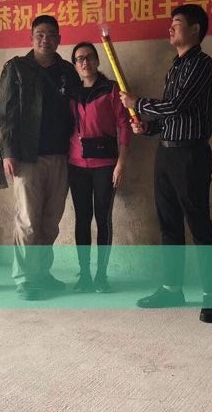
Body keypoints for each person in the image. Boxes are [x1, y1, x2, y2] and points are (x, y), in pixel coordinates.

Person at [118, 4, 212, 323]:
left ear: (195, 29)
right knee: (169, 223)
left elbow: (177, 105)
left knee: (199, 224)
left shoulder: (202, 64)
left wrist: (138, 103)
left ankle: (211, 295)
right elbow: (172, 116)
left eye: (176, 23)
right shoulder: (175, 67)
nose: (170, 28)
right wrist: (147, 127)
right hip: (166, 153)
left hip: (190, 155)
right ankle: (172, 288)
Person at [0, 15, 81, 300]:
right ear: (32, 37)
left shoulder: (67, 71)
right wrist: (8, 152)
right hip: (27, 157)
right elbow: (6, 114)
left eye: (51, 34)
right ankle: (25, 278)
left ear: (59, 39)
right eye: (40, 34)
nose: (46, 39)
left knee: (50, 221)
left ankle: (42, 274)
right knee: (28, 221)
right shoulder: (16, 68)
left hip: (61, 155)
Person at [68, 42, 131, 293]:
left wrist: (121, 162)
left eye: (89, 57)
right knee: (82, 219)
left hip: (106, 165)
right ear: (74, 65)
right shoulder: (71, 93)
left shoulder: (111, 90)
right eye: (79, 59)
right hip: (76, 165)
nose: (85, 62)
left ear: (97, 60)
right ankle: (84, 275)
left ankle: (101, 276)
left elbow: (124, 125)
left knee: (103, 218)